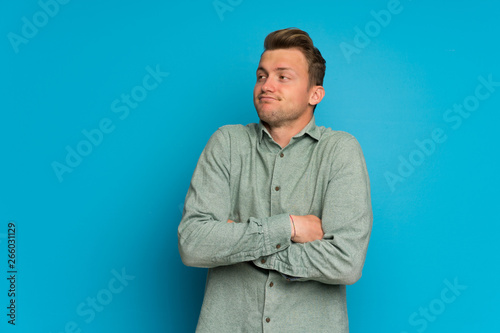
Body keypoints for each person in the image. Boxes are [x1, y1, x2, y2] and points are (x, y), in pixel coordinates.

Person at [178, 28, 372, 333]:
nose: (266, 85)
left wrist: (240, 243)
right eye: (261, 76)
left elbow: (346, 262)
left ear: (314, 93)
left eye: (283, 76)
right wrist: (289, 227)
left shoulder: (340, 151)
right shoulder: (227, 143)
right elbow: (193, 244)